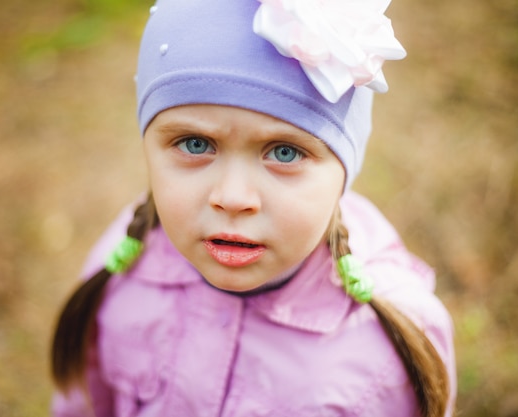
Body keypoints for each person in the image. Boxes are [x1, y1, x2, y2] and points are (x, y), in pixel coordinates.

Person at [50, 0, 457, 416]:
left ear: (343, 172)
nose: (233, 197)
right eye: (196, 144)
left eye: (283, 151)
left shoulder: (387, 349)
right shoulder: (120, 279)